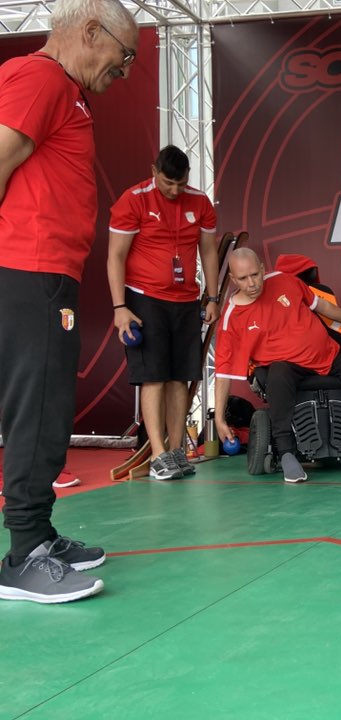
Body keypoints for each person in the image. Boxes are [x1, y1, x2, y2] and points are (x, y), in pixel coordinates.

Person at [0, 0, 138, 604]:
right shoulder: (41, 78)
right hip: (28, 267)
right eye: (124, 55)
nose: (125, 70)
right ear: (90, 31)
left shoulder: (64, 91)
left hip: (46, 272)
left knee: (49, 402)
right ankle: (23, 556)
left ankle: (39, 536)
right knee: (37, 406)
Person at [213, 248, 341, 481]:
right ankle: (287, 453)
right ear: (233, 279)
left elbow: (321, 306)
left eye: (255, 275)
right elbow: (222, 372)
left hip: (326, 357)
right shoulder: (232, 317)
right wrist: (219, 419)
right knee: (278, 372)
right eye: (243, 278)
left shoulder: (285, 281)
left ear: (262, 269)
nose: (251, 283)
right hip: (286, 368)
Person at [107, 146, 219, 480]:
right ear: (154, 171)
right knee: (153, 376)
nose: (174, 190)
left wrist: (212, 297)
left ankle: (175, 449)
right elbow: (115, 256)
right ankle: (158, 454)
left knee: (179, 377)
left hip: (186, 300)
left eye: (180, 183)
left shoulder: (200, 202)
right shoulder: (133, 200)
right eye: (168, 182)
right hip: (144, 299)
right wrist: (120, 307)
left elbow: (208, 251)